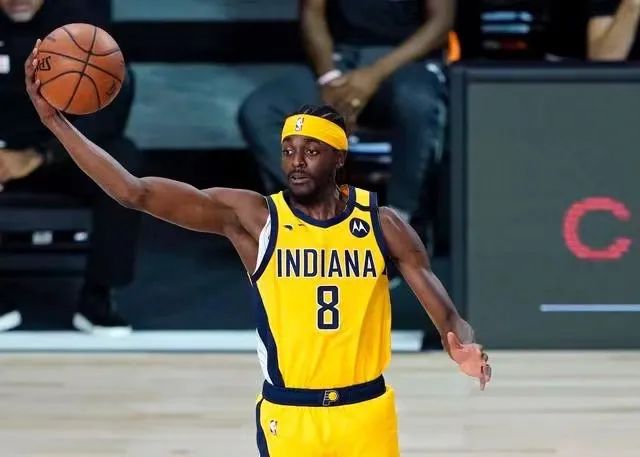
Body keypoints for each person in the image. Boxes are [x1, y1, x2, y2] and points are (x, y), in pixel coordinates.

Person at [25, 40, 490, 455]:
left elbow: (449, 318)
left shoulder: (381, 224)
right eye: (288, 150)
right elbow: (135, 192)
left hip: (366, 410)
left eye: (311, 151)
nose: (296, 162)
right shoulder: (255, 219)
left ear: (339, 158)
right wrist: (56, 123)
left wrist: (464, 345)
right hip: (290, 414)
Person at [239, 0, 454, 226]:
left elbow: (441, 23)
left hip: (407, 61)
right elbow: (312, 11)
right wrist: (329, 79)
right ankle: (317, 212)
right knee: (261, 110)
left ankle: (398, 221)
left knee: (416, 101)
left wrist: (373, 75)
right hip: (341, 58)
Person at [0, 0, 140, 335]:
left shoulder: (79, 24)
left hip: (61, 150)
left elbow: (110, 110)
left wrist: (39, 155)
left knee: (122, 158)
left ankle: (98, 295)